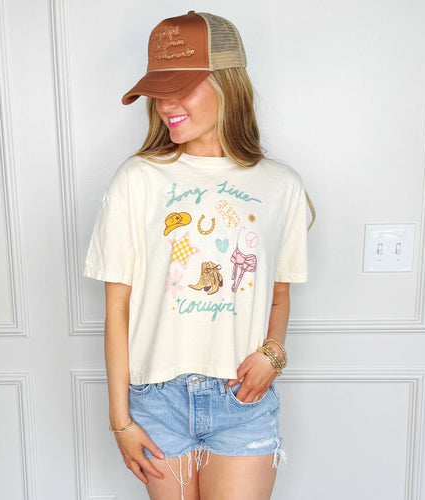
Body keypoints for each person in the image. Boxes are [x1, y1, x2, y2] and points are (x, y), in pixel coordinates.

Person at [85, 11, 311, 500]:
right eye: (158, 91)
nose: (165, 105)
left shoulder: (281, 186)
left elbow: (279, 292)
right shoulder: (136, 180)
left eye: (181, 88)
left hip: (242, 398)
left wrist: (272, 354)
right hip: (157, 400)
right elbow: (117, 309)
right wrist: (120, 420)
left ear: (227, 83)